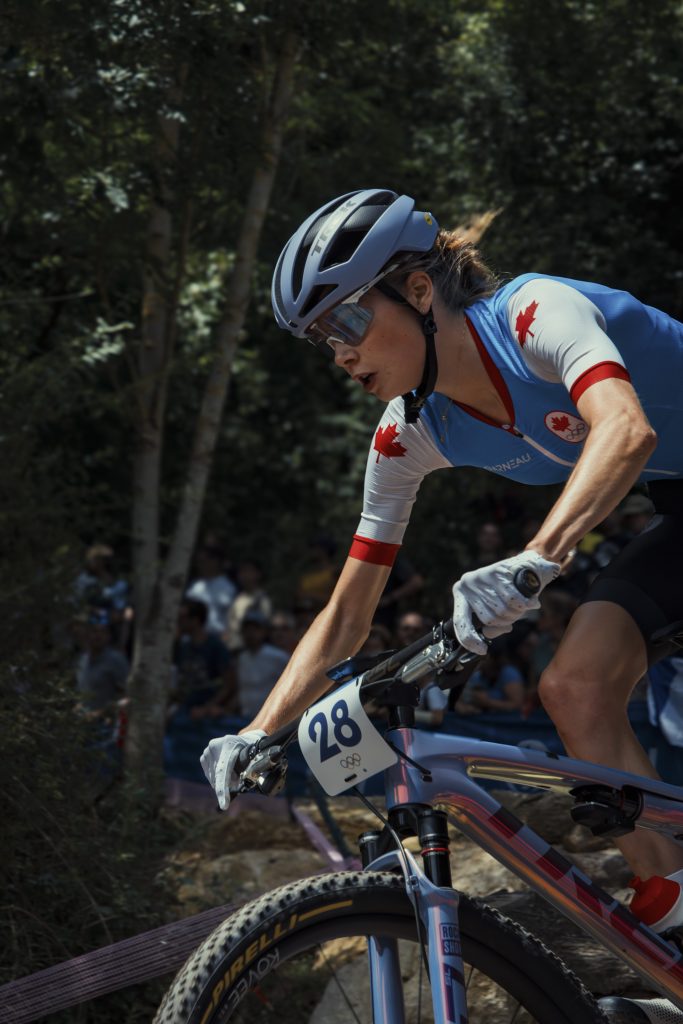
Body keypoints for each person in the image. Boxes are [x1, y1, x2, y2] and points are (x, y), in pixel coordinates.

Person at [202, 189, 683, 975]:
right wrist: (259, 728)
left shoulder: (533, 315)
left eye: (345, 322)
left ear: (419, 290)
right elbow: (348, 612)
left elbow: (625, 429)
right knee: (572, 689)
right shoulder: (409, 432)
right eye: (321, 339)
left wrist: (533, 559)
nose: (340, 354)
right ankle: (672, 904)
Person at [186, 540, 237, 636]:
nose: (199, 565)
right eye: (198, 562)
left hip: (218, 637)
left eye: (203, 561)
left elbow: (233, 618)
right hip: (193, 636)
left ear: (215, 562)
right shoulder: (195, 586)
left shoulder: (229, 588)